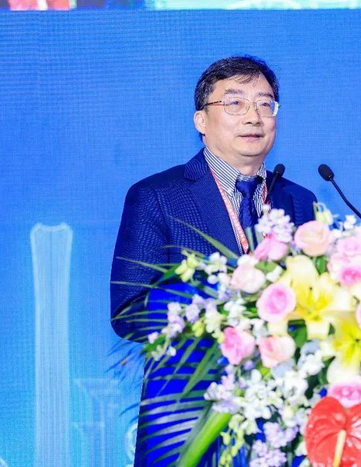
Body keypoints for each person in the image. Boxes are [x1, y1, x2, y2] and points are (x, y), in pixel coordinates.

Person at [110, 56, 316, 466]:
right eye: (235, 103)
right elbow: (129, 311)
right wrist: (229, 300)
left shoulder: (300, 200)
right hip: (190, 419)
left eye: (265, 104)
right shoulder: (157, 196)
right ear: (201, 120)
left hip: (285, 420)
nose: (253, 116)